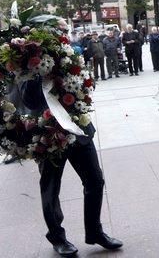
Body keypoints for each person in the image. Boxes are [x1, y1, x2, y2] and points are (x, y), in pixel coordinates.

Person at [19, 78, 123, 257]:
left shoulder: (64, 50)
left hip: (77, 128)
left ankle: (95, 232)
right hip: (48, 134)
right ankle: (57, 238)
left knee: (95, 181)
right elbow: (29, 99)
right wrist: (38, 74)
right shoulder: (27, 57)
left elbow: (83, 83)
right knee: (51, 189)